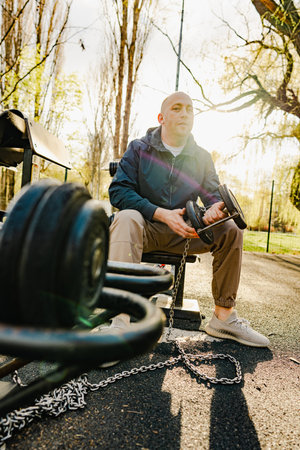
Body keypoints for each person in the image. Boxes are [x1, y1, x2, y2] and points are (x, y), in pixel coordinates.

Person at [108, 91, 269, 348]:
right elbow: (118, 191)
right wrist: (160, 213)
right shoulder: (139, 148)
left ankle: (223, 318)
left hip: (188, 234)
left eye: (190, 109)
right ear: (162, 117)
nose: (185, 113)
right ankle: (120, 322)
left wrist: (216, 209)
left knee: (230, 229)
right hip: (145, 229)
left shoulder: (202, 157)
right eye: (177, 108)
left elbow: (213, 195)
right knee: (125, 217)